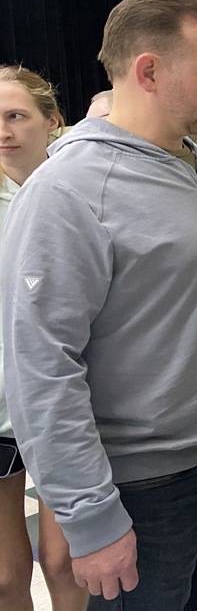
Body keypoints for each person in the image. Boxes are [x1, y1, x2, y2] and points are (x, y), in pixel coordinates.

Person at [1, 0, 197, 610]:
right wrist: (90, 519)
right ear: (148, 71)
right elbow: (40, 368)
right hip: (143, 491)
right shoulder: (67, 192)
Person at [0, 66, 85, 611]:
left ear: (51, 121)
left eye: (15, 116)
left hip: (65, 403)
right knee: (6, 577)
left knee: (63, 561)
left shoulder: (78, 191)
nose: (4, 130)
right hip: (1, 408)